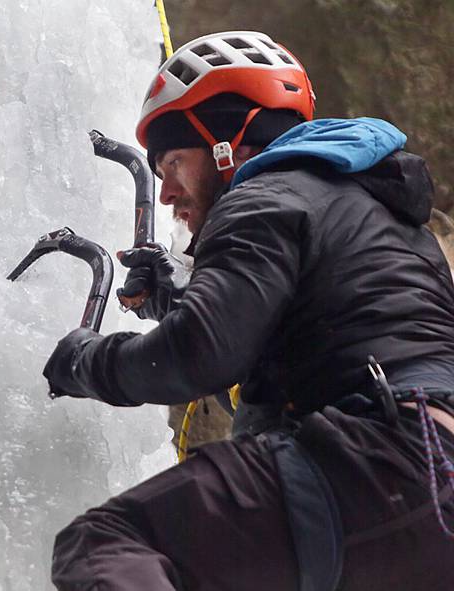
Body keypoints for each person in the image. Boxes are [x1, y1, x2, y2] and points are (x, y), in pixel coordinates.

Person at [43, 31, 454, 590]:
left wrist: (85, 361)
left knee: (107, 542)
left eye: (172, 163)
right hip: (418, 474)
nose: (166, 194)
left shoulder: (265, 197)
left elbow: (198, 356)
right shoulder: (373, 212)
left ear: (226, 144)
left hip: (385, 460)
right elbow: (282, 345)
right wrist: (172, 302)